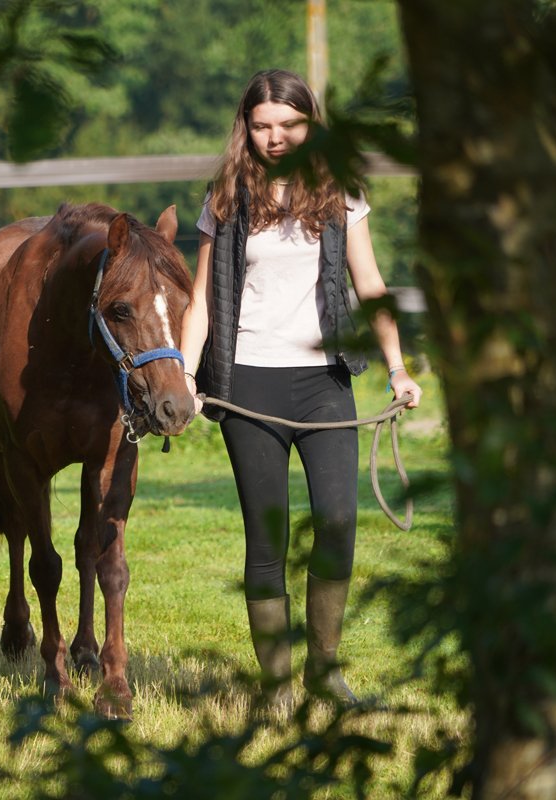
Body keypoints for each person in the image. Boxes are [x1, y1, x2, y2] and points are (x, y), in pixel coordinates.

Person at [179, 69, 422, 712]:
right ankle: (277, 687)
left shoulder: (340, 190)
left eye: (289, 124)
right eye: (262, 126)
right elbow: (201, 300)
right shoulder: (226, 195)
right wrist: (187, 375)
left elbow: (370, 285)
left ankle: (324, 671)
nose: (276, 138)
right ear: (246, 128)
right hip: (248, 382)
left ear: (310, 123)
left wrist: (398, 368)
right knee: (268, 540)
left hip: (324, 381)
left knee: (338, 522)